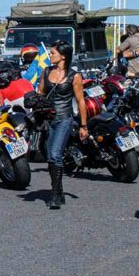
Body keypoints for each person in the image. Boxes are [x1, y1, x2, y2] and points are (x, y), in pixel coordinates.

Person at [38, 41, 87, 211]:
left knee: (54, 154)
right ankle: (59, 191)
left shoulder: (75, 76)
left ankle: (55, 195)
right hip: (48, 119)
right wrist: (35, 101)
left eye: (53, 53)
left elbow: (81, 101)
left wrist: (83, 125)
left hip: (64, 119)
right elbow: (41, 94)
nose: (50, 55)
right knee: (50, 156)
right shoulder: (46, 72)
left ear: (63, 56)